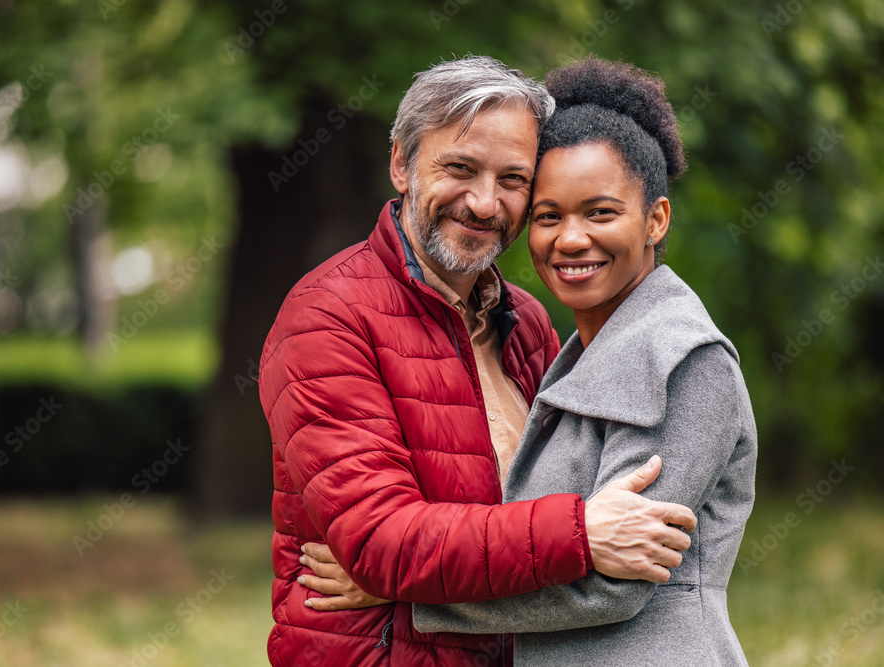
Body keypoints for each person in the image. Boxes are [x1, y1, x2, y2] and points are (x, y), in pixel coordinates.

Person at [258, 55, 697, 667]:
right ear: (401, 164)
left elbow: (596, 507)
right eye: (460, 168)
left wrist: (408, 594)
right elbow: (382, 543)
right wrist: (580, 535)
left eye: (514, 180)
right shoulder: (327, 318)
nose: (485, 203)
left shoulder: (528, 326)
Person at [409, 58, 758, 665]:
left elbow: (612, 586)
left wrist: (408, 599)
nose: (570, 239)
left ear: (655, 219)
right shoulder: (570, 358)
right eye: (549, 216)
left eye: (600, 212)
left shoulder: (685, 361)